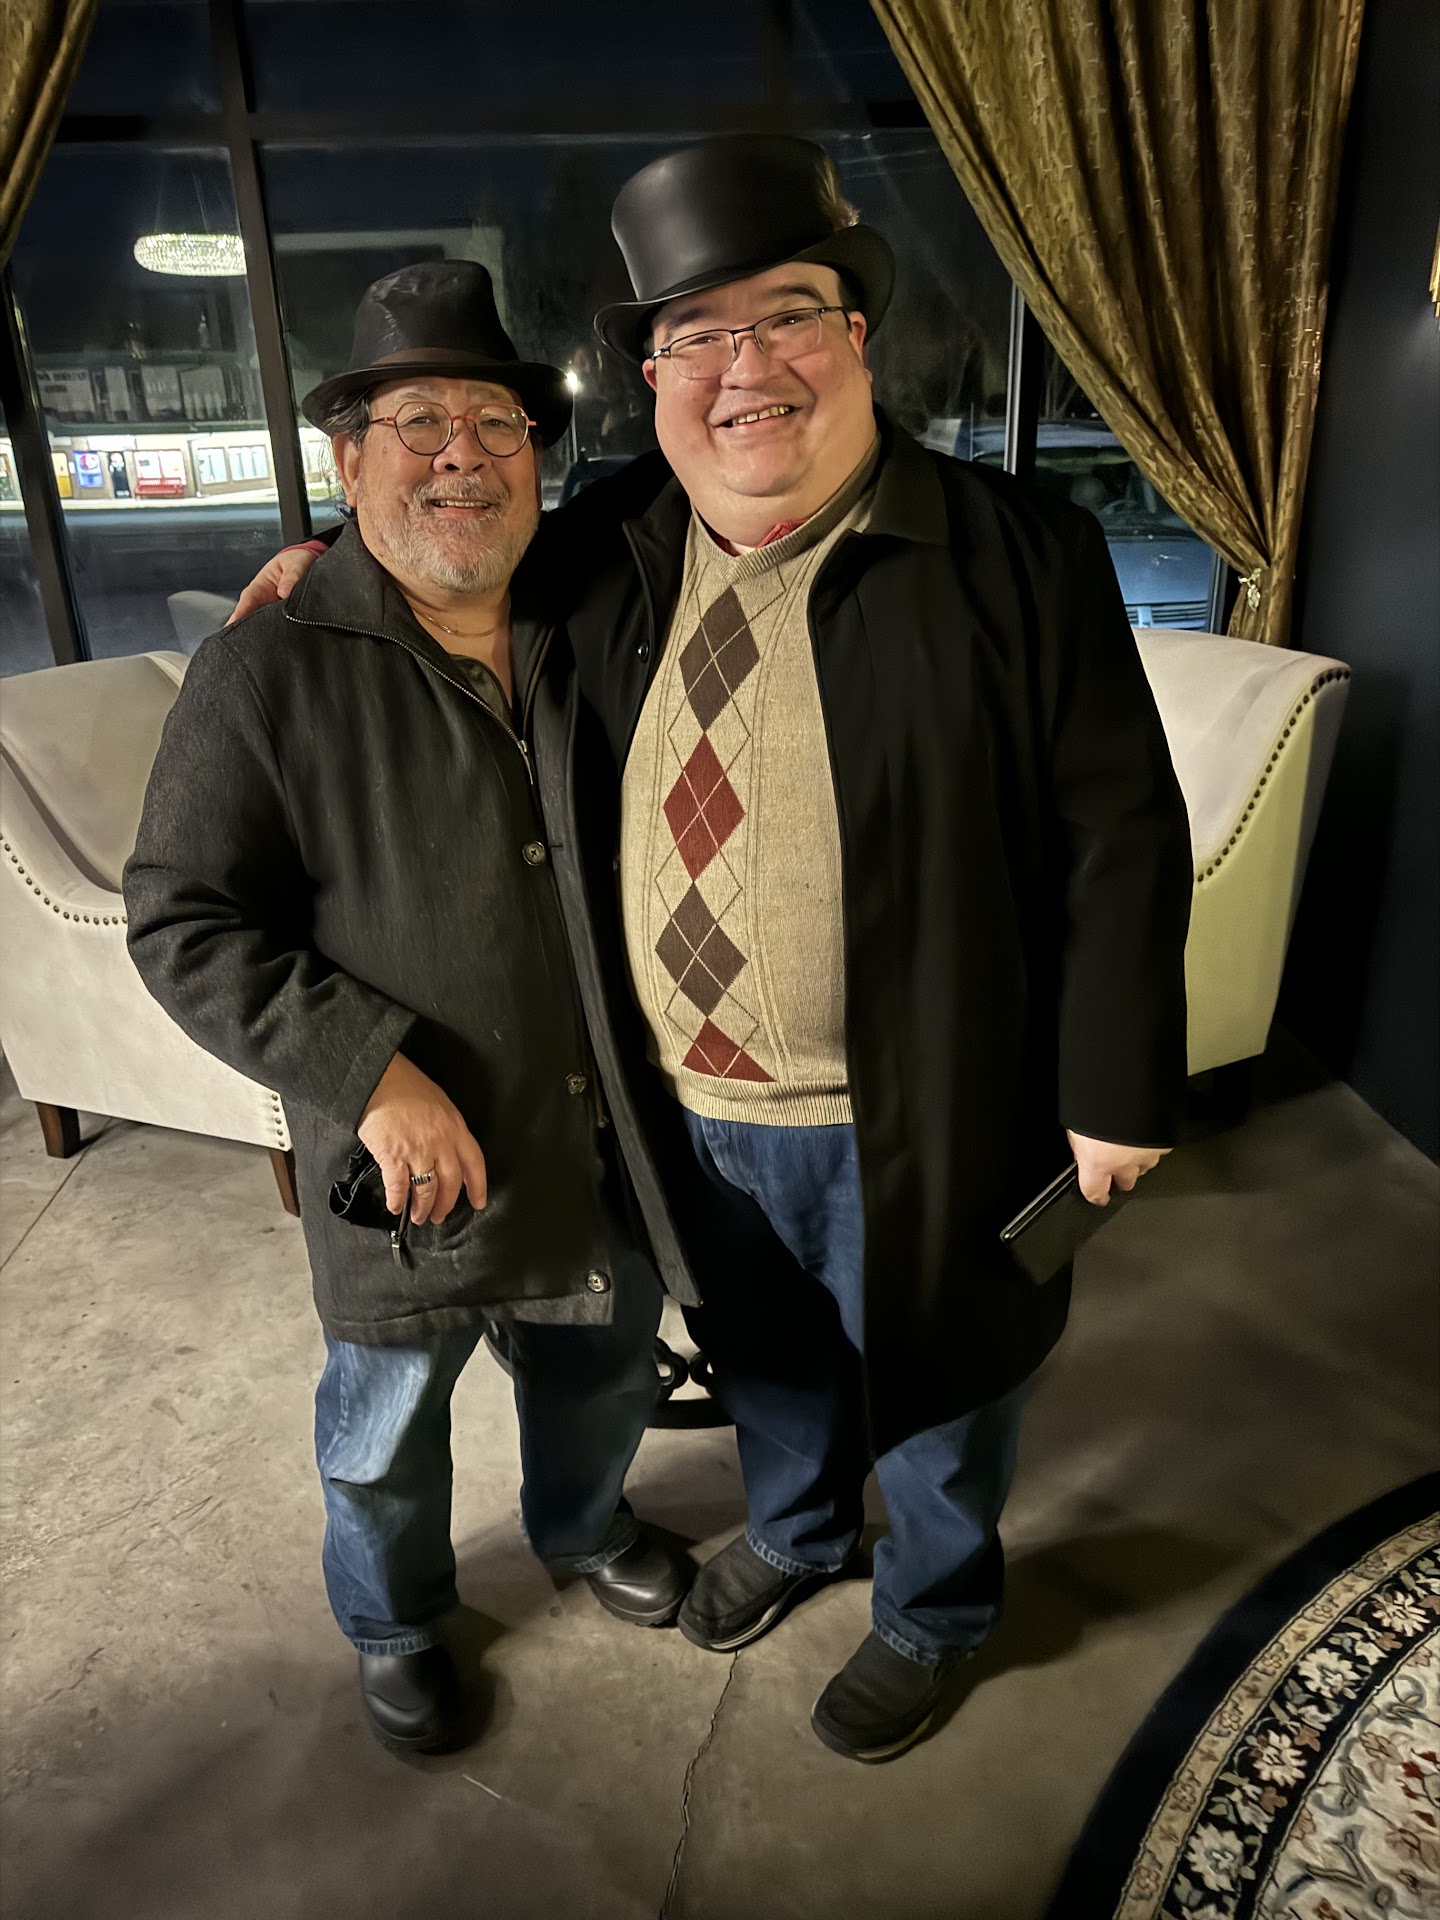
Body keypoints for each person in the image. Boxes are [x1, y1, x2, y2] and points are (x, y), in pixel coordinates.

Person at [230, 135, 1193, 1764]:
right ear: (654, 381)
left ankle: (936, 1609)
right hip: (684, 1103)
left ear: (858, 336)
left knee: (950, 1379)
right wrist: (329, 559)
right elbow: (442, 537)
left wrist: (1115, 1089)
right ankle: (802, 1533)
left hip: (932, 1103)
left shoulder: (1021, 552)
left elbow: (1123, 834)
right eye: (696, 338)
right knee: (772, 1363)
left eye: (787, 317)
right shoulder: (614, 543)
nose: (746, 370)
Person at [123, 262, 692, 1759]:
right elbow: (181, 919)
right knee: (383, 1422)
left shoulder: (590, 605)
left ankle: (583, 1528)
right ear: (347, 458)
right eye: (418, 422)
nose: (462, 456)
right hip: (404, 1162)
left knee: (601, 1366)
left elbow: (698, 461)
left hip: (595, 1124)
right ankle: (393, 1620)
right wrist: (371, 1075)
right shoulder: (267, 669)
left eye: (497, 422)